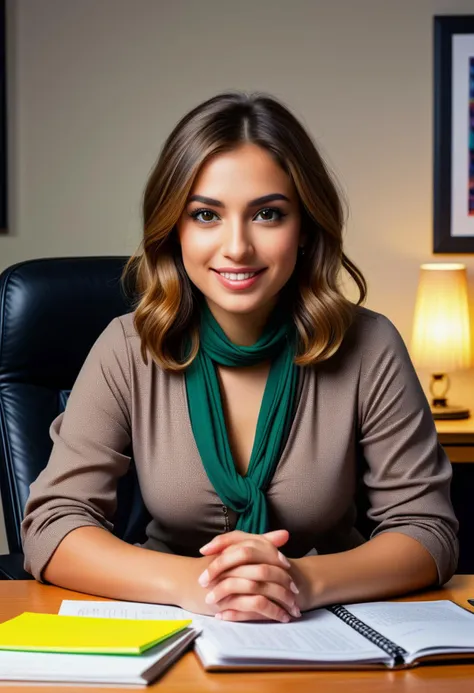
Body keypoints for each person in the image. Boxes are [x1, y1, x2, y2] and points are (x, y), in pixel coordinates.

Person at [21, 92, 458, 624]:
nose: (237, 247)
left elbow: (426, 529)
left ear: (304, 229)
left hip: (328, 625)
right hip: (170, 622)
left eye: (267, 215)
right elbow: (52, 525)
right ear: (174, 230)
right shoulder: (127, 348)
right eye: (205, 214)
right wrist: (199, 586)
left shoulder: (370, 346)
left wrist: (299, 582)